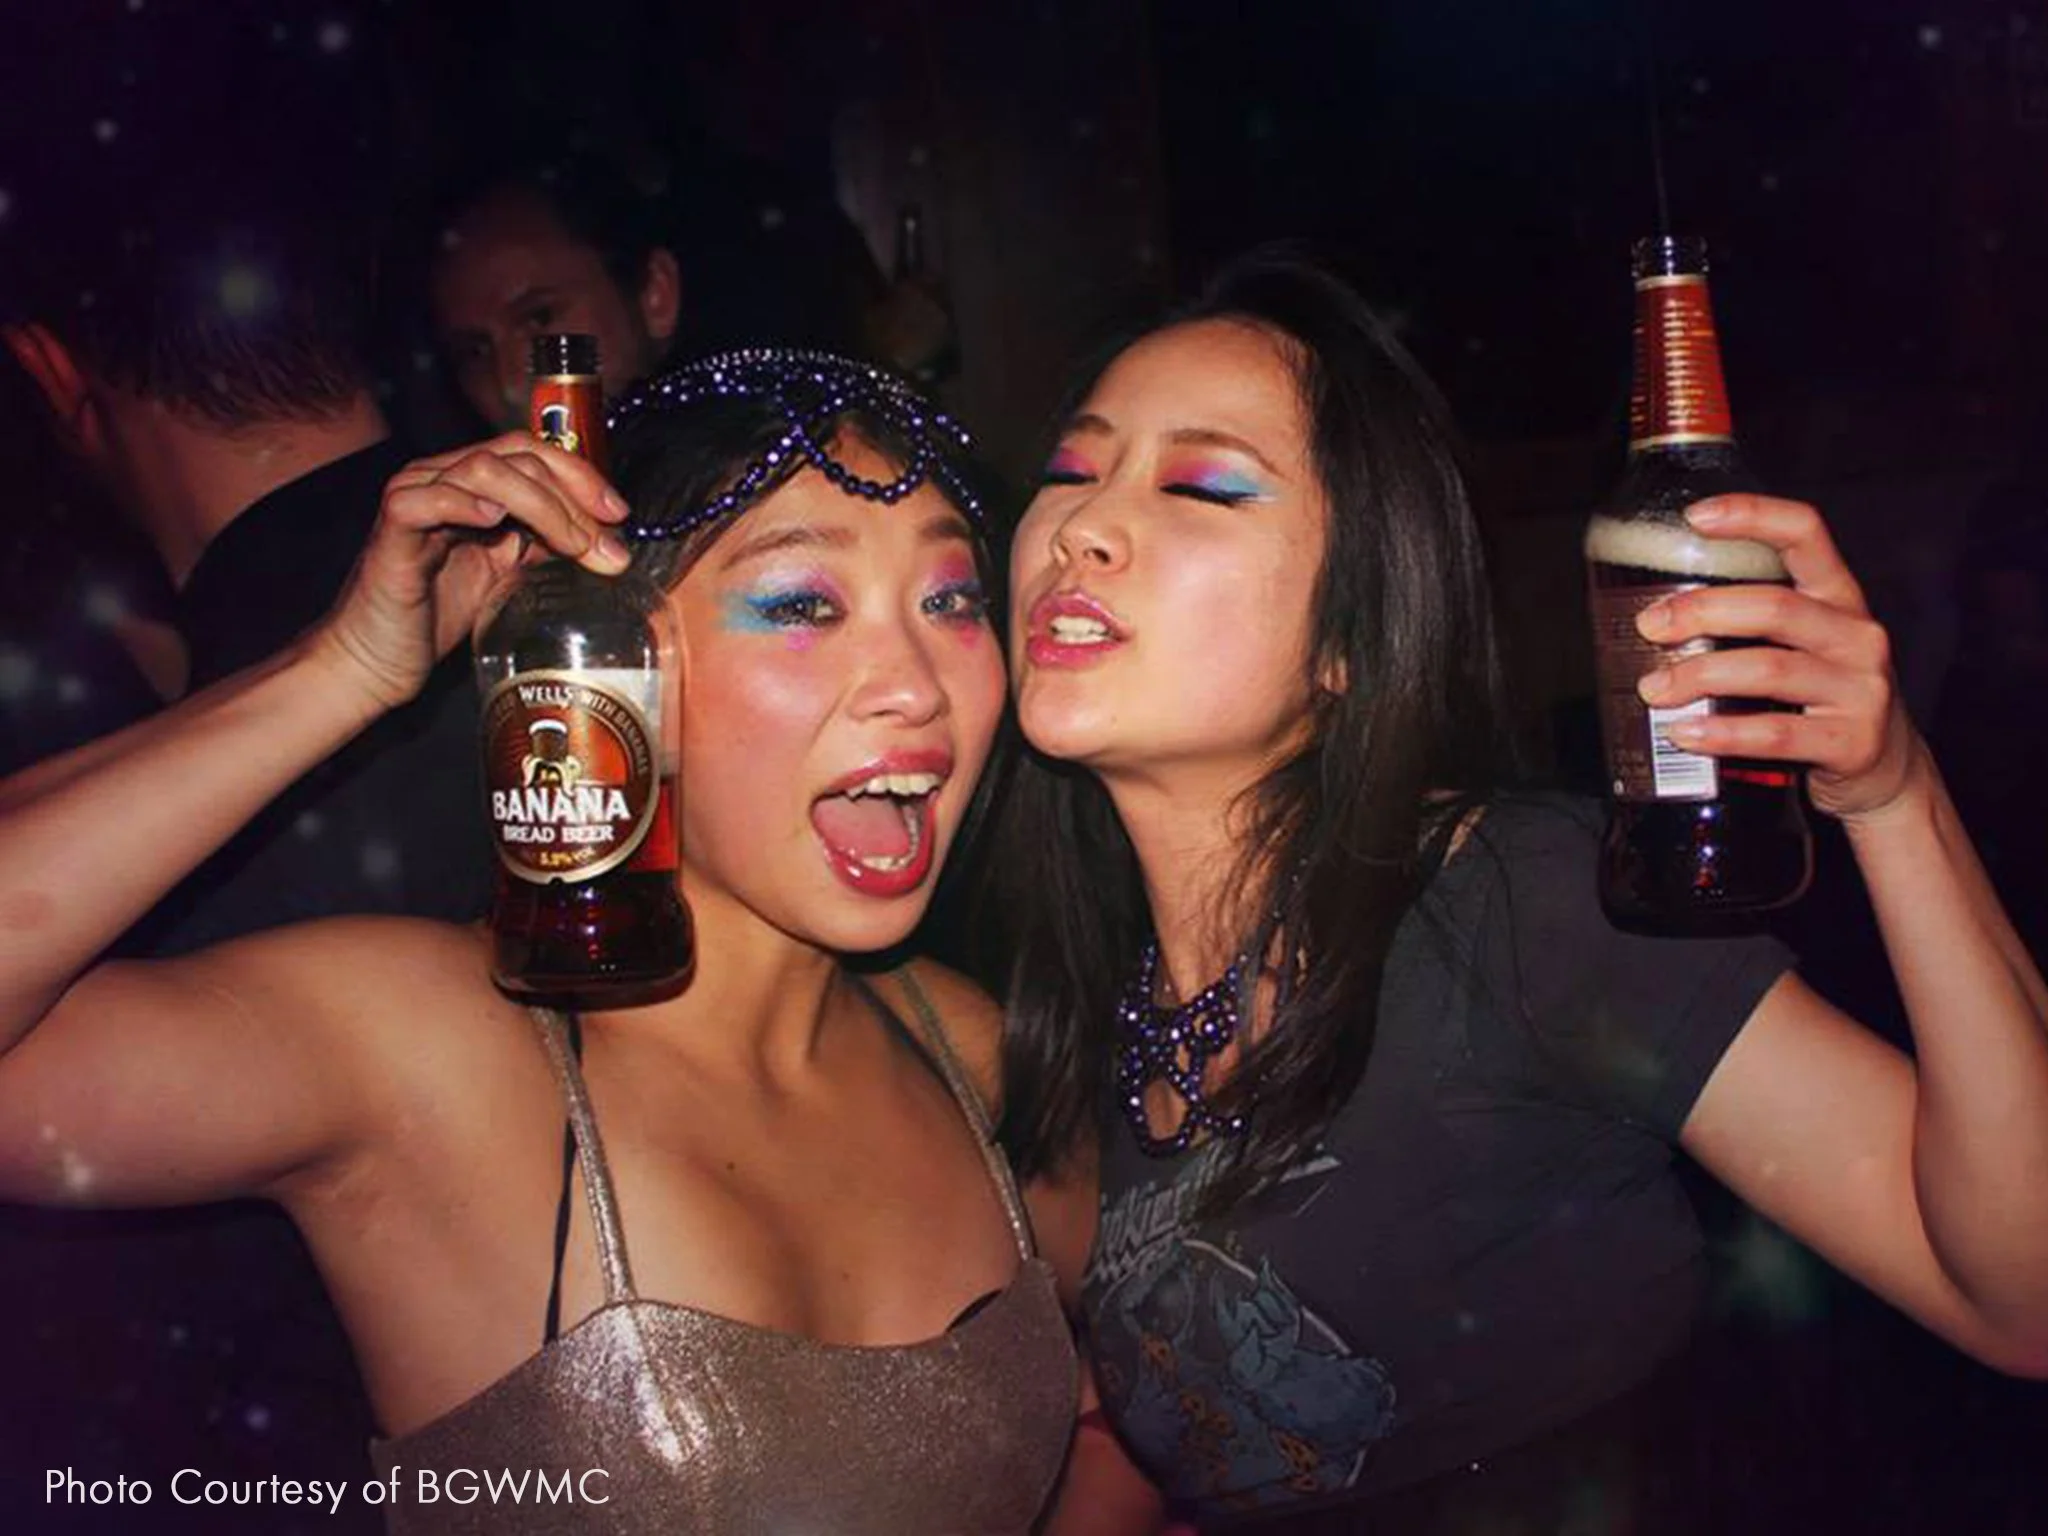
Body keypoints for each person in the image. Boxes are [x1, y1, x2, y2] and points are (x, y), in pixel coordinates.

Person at [990, 255, 2048, 1532]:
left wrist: (1889, 794)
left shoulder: (1507, 903)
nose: (1079, 524)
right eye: (1070, 467)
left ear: (1347, 640)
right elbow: (1137, 1421)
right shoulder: (1083, 1022)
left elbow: (2019, 1303)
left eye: (1200, 484)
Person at [0, 350, 1076, 1533]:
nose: (917, 685)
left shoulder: (973, 1055)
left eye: (950, 600)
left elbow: (1127, 1442)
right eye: (804, 605)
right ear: (623, 665)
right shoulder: (431, 1051)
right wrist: (341, 671)